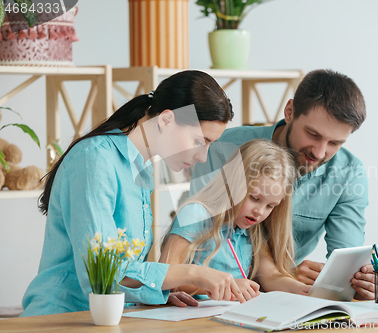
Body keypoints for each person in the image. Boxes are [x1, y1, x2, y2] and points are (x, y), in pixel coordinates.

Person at [21, 70, 246, 317]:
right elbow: (100, 275)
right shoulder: (95, 159)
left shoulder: (141, 170)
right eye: (199, 140)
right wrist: (192, 272)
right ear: (167, 120)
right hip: (61, 317)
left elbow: (123, 271)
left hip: (108, 316)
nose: (203, 156)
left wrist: (156, 293)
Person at [190, 69, 375, 299]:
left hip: (282, 295)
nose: (319, 153)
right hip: (211, 292)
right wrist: (285, 276)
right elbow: (199, 234)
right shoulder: (220, 148)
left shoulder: (349, 173)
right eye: (313, 134)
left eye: (334, 143)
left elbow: (346, 265)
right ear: (290, 112)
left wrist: (359, 282)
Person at [160, 139, 310, 302]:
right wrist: (224, 287)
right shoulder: (196, 214)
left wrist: (303, 290)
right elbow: (164, 276)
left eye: (270, 206)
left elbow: (271, 277)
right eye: (254, 197)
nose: (259, 211)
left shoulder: (252, 228)